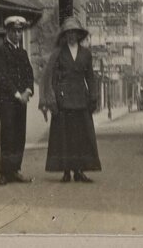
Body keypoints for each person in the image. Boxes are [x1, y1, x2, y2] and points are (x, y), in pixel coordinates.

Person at [39, 16, 102, 183]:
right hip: (63, 101)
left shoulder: (86, 54)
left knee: (81, 137)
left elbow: (90, 77)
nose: (71, 36)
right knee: (64, 137)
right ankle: (66, 171)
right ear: (64, 36)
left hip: (81, 100)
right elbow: (51, 77)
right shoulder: (58, 54)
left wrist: (93, 96)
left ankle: (79, 171)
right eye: (68, 33)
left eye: (74, 32)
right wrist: (52, 98)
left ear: (79, 35)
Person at [0, 15, 35, 185]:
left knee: (19, 135)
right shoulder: (1, 51)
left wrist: (28, 91)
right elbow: (2, 77)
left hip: (21, 100)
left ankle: (16, 170)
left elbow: (29, 75)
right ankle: (5, 172)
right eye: (15, 31)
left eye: (20, 31)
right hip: (7, 100)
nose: (18, 34)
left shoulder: (23, 53)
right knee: (8, 134)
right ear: (8, 32)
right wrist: (18, 95)